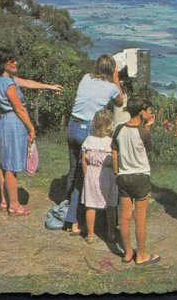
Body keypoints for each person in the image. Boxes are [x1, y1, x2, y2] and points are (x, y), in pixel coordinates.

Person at [0, 48, 63, 216]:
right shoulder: (9, 83)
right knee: (12, 166)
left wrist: (49, 87)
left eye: (15, 59)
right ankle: (14, 206)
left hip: (1, 122)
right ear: (2, 64)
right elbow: (19, 109)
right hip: (12, 124)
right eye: (10, 61)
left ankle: (4, 201)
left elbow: (28, 83)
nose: (15, 63)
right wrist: (31, 128)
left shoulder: (2, 80)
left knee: (4, 164)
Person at [64, 54, 124, 235]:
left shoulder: (86, 77)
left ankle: (71, 213)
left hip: (72, 126)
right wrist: (116, 78)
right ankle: (76, 219)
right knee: (86, 177)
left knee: (74, 172)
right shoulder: (111, 87)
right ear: (111, 69)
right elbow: (120, 101)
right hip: (87, 130)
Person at [112, 93, 161, 265]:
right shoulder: (143, 132)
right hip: (140, 177)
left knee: (124, 216)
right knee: (140, 217)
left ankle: (126, 253)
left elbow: (114, 151)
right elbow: (149, 149)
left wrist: (116, 171)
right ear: (141, 113)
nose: (150, 114)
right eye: (148, 111)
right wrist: (148, 127)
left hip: (123, 176)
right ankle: (141, 254)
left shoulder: (119, 128)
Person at [81, 109, 118, 245]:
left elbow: (83, 160)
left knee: (90, 206)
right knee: (111, 205)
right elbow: (115, 159)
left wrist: (87, 174)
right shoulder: (111, 142)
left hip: (91, 173)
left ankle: (90, 235)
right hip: (107, 174)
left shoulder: (88, 140)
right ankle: (111, 232)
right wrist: (116, 172)